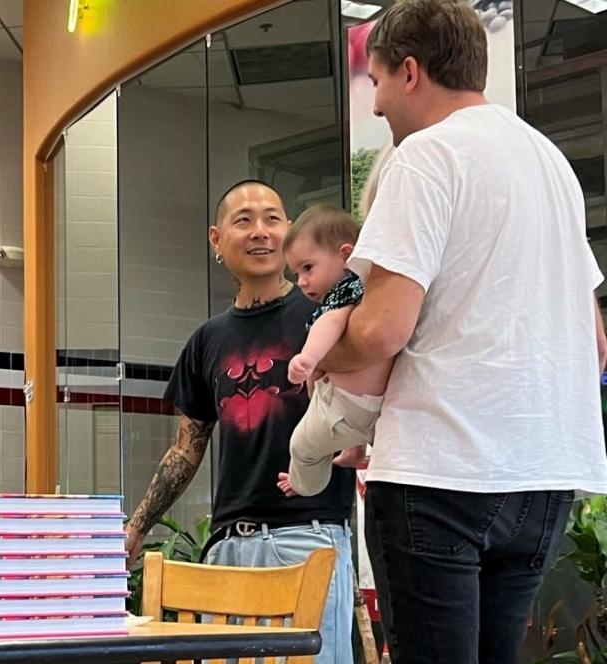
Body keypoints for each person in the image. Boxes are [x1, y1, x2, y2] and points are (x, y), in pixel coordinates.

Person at [318, 1, 607, 661]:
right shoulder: (551, 164)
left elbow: (385, 327)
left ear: (411, 71)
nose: (378, 106)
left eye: (379, 83)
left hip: (440, 471)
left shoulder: (424, 156)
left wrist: (326, 363)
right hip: (541, 475)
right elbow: (593, 344)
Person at [124, 180, 356, 664]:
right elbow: (186, 448)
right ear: (216, 239)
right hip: (227, 547)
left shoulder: (328, 312)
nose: (260, 232)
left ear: (290, 232)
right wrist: (137, 526)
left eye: (273, 218)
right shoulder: (207, 340)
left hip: (307, 536)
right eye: (244, 220)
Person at [275, 205, 391, 498]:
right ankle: (354, 451)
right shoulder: (377, 293)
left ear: (345, 254)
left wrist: (308, 356)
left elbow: (331, 321)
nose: (301, 281)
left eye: (308, 268)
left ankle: (303, 485)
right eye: (297, 272)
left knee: (300, 447)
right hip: (381, 407)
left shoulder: (343, 293)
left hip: (340, 408)